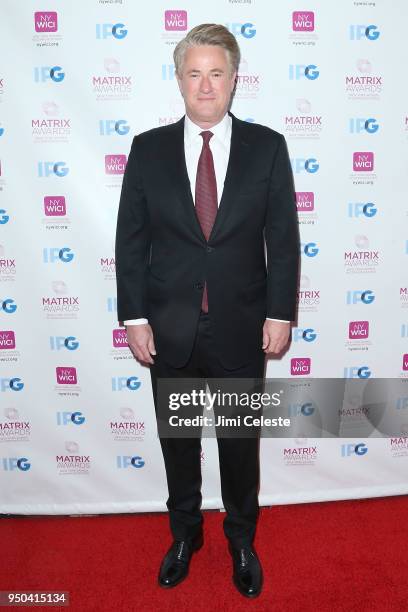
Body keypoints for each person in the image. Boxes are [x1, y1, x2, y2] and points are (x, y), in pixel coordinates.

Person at [115, 23, 299, 598]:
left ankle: (241, 539)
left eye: (216, 73)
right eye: (193, 73)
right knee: (179, 442)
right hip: (169, 326)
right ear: (178, 79)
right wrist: (134, 316)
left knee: (241, 447)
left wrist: (280, 313)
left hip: (244, 326)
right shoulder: (147, 149)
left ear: (234, 79)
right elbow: (131, 239)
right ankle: (184, 535)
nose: (205, 85)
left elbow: (284, 238)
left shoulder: (267, 146)